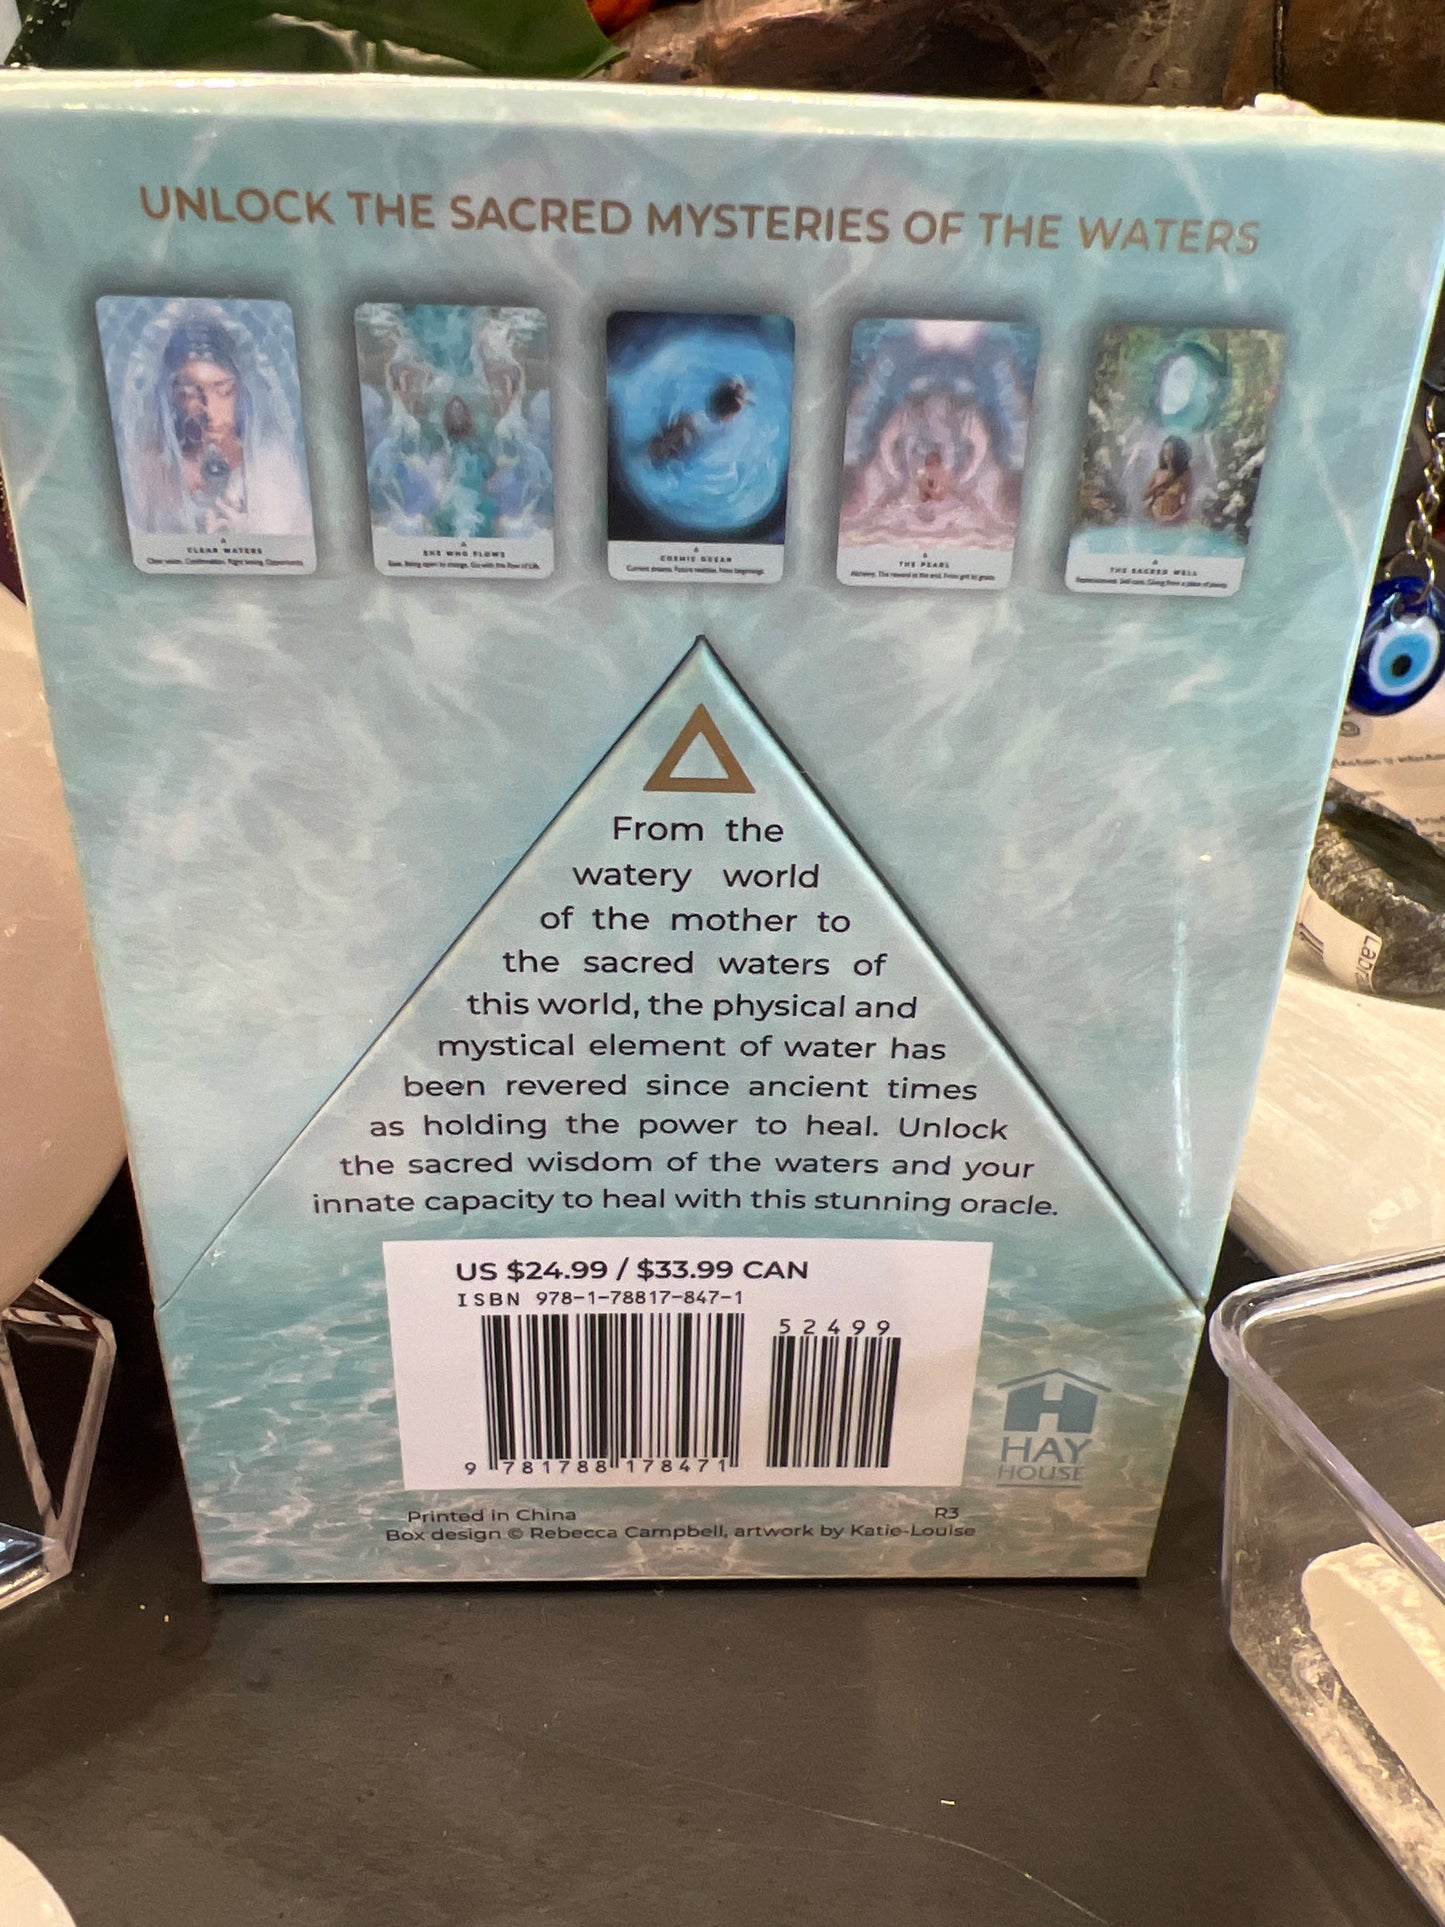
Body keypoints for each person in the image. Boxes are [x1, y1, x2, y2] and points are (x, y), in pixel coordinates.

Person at [1143, 435, 1194, 525]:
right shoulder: (1158, 472)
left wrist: (1174, 518)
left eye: (1170, 451)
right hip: (1153, 520)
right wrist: (1159, 485)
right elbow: (1143, 497)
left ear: (1178, 453)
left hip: (1174, 520)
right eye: (1165, 450)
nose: (1166, 453)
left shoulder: (1185, 473)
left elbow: (1189, 499)